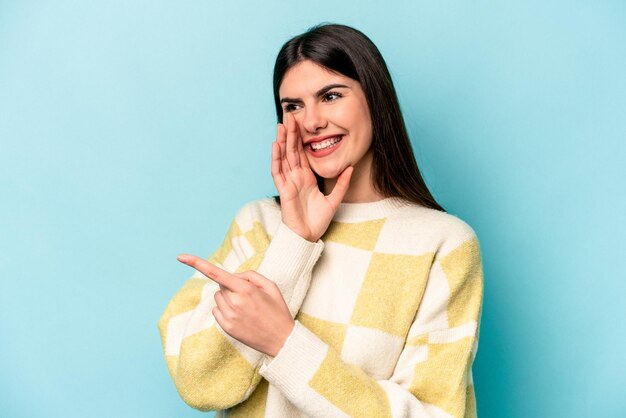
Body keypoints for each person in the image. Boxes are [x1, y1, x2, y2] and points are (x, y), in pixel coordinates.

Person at [158, 23, 483, 418]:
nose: (311, 122)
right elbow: (200, 384)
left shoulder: (441, 243)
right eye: (292, 106)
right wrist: (295, 241)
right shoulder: (258, 224)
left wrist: (283, 342)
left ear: (375, 100)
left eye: (330, 96)